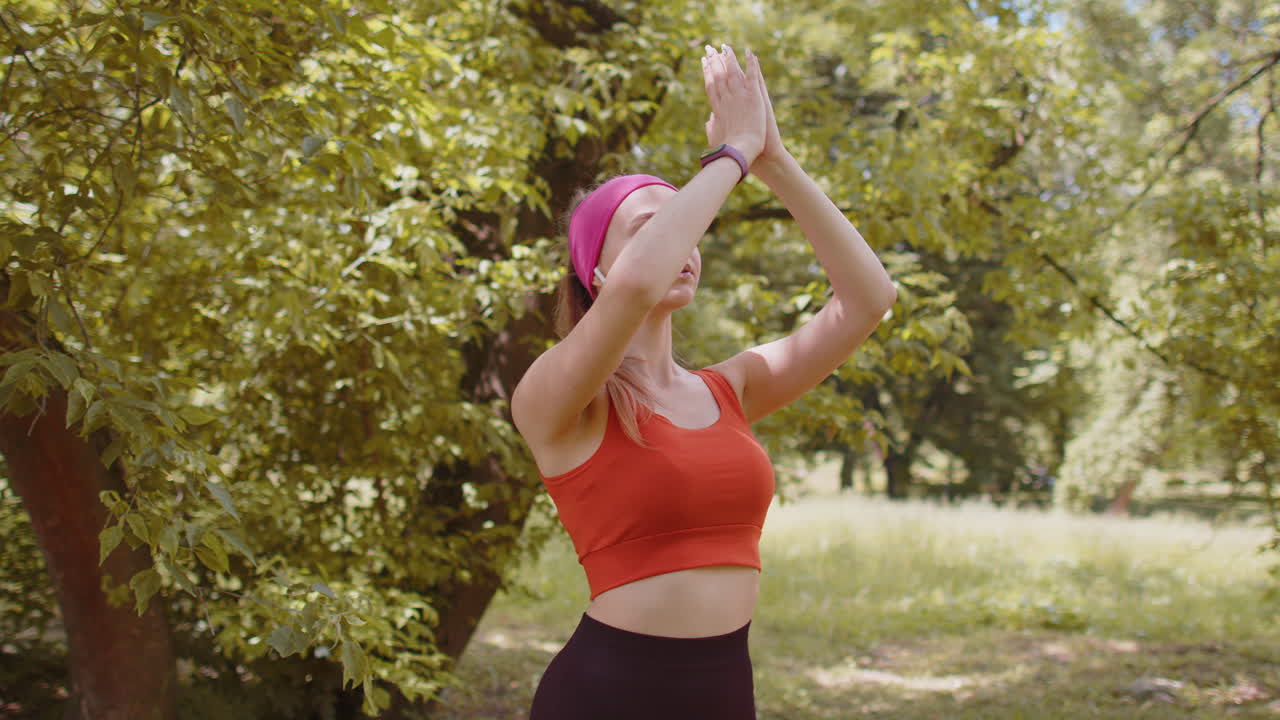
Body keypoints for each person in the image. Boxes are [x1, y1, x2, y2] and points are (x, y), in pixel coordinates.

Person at [512, 43, 897, 719]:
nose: (681, 241)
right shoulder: (557, 402)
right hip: (607, 693)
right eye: (650, 227)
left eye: (685, 225)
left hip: (723, 691)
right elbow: (635, 287)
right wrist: (731, 155)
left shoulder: (733, 389)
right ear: (594, 274)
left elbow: (868, 299)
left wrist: (771, 159)